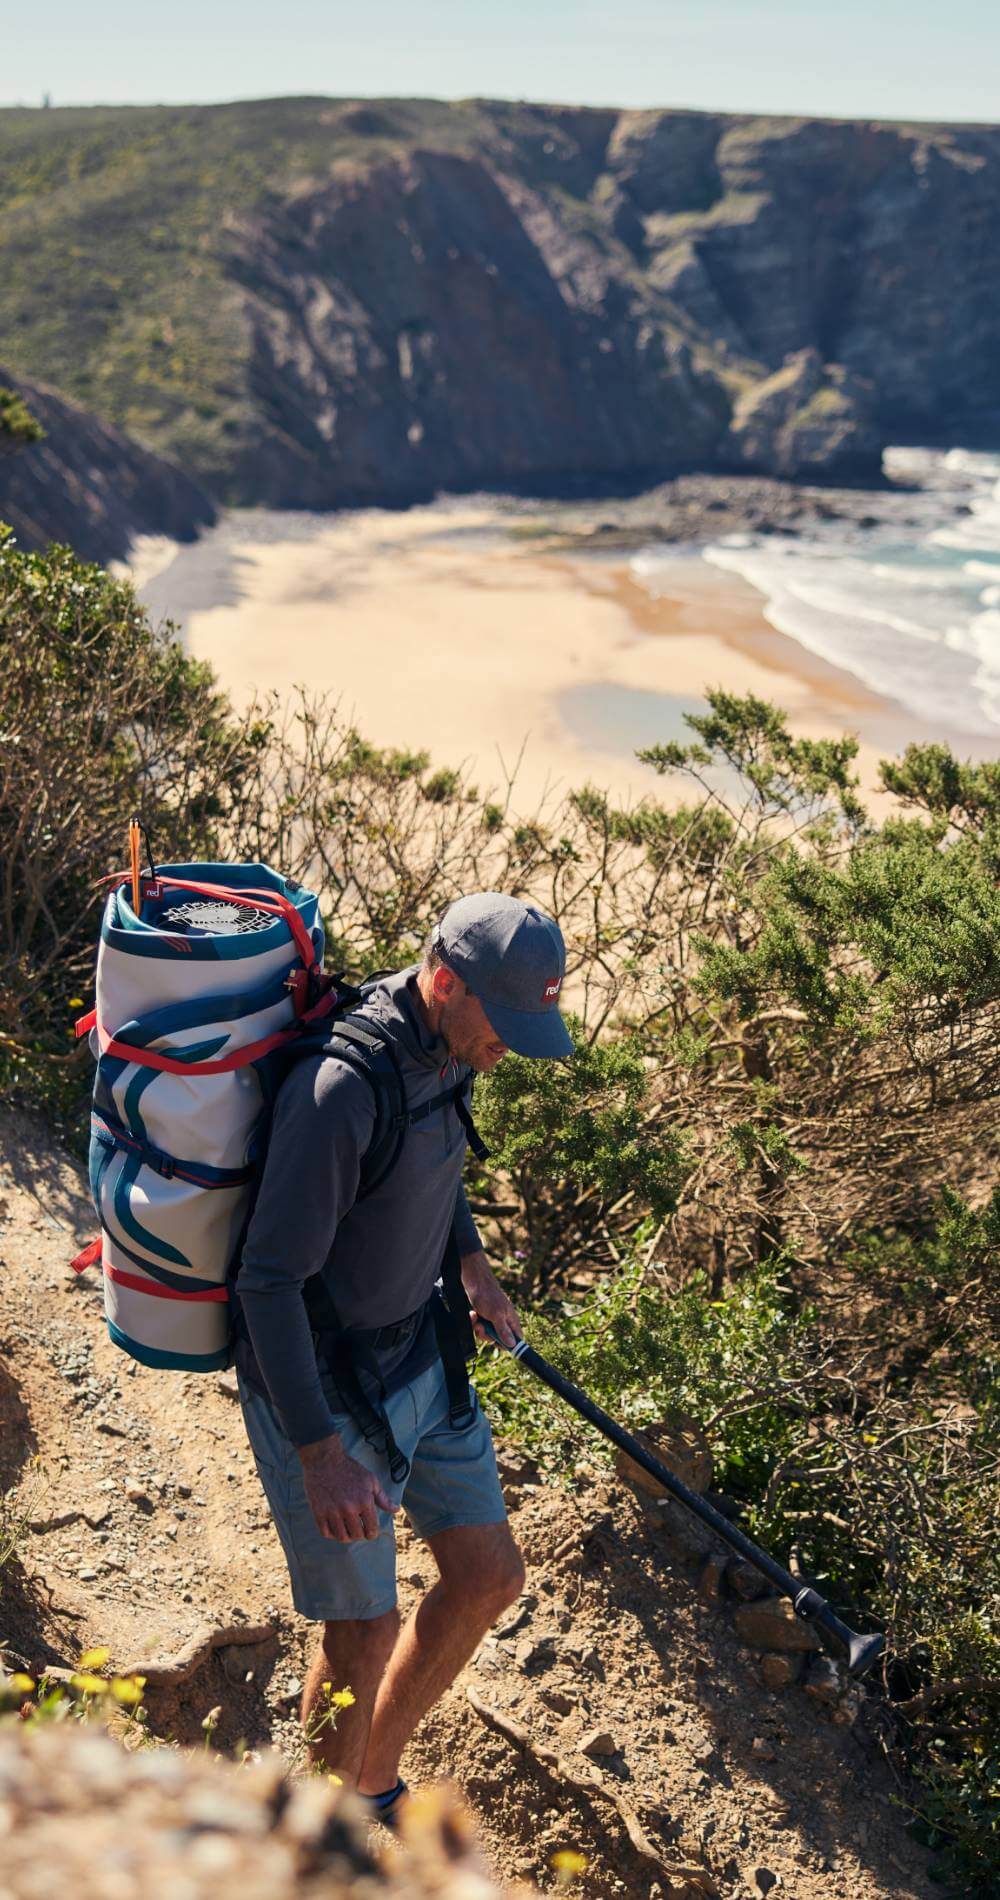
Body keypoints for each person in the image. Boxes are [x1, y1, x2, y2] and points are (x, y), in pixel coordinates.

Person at [234, 891, 572, 1820]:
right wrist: (319, 1454)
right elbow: (267, 1282)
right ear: (446, 980)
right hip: (327, 1392)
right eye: (504, 1025)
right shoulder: (339, 1093)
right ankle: (319, 1844)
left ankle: (367, 1788)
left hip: (422, 1354)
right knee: (363, 1632)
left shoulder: (452, 1045)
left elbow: (434, 1154)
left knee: (490, 1576)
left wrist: (472, 1262)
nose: (509, 1048)